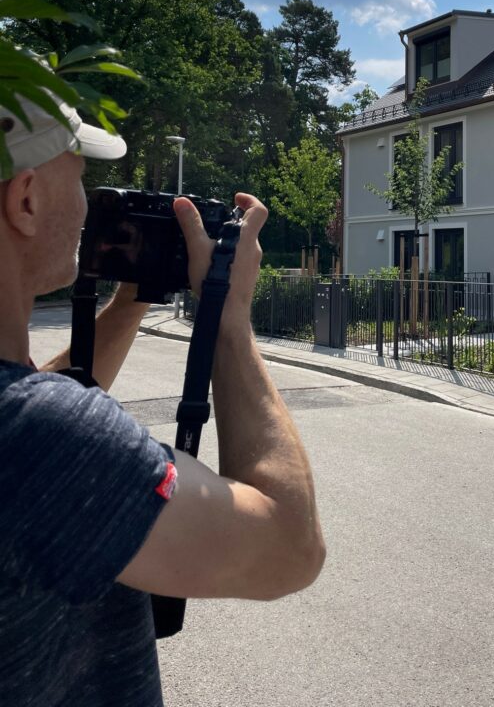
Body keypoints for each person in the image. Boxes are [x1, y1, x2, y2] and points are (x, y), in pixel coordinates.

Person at [0, 97, 325, 707]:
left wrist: (132, 300)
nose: (87, 205)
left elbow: (28, 397)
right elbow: (290, 548)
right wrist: (229, 321)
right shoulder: (40, 436)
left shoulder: (21, 421)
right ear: (25, 199)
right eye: (82, 178)